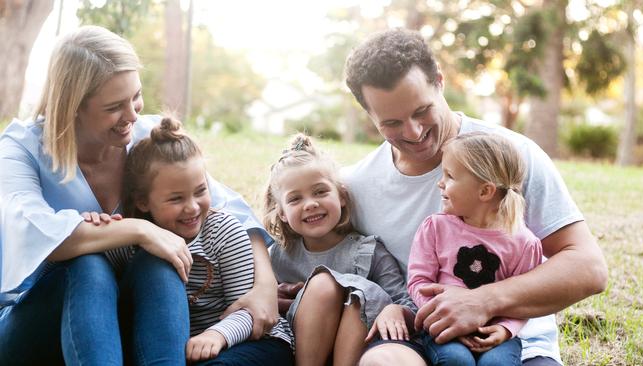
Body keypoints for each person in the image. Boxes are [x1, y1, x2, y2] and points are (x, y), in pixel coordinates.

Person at [0, 25, 277, 365]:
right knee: (87, 265)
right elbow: (34, 231)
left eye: (135, 97)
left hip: (127, 322)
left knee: (158, 261)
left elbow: (227, 207)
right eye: (115, 106)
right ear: (73, 106)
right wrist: (141, 229)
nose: (132, 115)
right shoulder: (21, 150)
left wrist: (264, 285)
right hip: (38, 324)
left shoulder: (148, 136)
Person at [336, 28, 607, 366]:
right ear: (369, 115)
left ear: (439, 81)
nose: (414, 132)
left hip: (511, 342)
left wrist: (484, 301)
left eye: (422, 111)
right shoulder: (357, 183)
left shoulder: (509, 156)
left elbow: (589, 267)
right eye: (392, 122)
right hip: (418, 337)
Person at [110, 116, 293, 365]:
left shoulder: (223, 232)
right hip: (186, 351)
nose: (193, 207)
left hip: (251, 340)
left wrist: (217, 335)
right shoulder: (132, 240)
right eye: (176, 199)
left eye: (200, 191)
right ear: (143, 202)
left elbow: (250, 310)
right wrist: (97, 225)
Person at [263, 134, 417, 366]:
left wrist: (395, 310)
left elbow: (405, 302)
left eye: (320, 192)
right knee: (323, 284)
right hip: (304, 349)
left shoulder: (367, 251)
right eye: (295, 199)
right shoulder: (277, 256)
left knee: (359, 294)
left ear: (341, 196)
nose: (310, 204)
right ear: (282, 213)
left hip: (354, 347)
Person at [408, 132, 543, 365]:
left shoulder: (524, 243)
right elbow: (418, 281)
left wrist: (505, 330)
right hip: (444, 326)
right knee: (456, 360)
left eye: (449, 176)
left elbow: (524, 300)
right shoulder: (435, 227)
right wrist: (441, 315)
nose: (440, 182)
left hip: (494, 335)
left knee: (497, 363)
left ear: (484, 191)